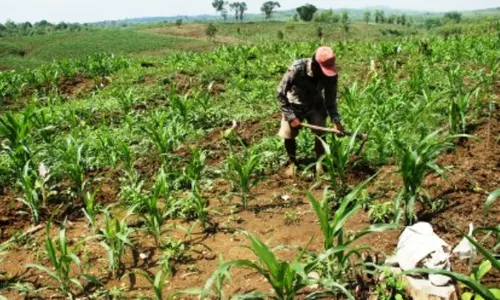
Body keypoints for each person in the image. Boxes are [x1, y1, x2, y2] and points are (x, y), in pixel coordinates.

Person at [276, 46, 344, 177]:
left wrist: (336, 120)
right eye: (323, 70)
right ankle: (292, 162)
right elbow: (280, 93)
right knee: (289, 134)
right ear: (314, 64)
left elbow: (331, 100)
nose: (325, 74)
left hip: (316, 104)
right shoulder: (297, 68)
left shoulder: (331, 76)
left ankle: (320, 162)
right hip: (294, 104)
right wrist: (290, 116)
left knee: (321, 132)